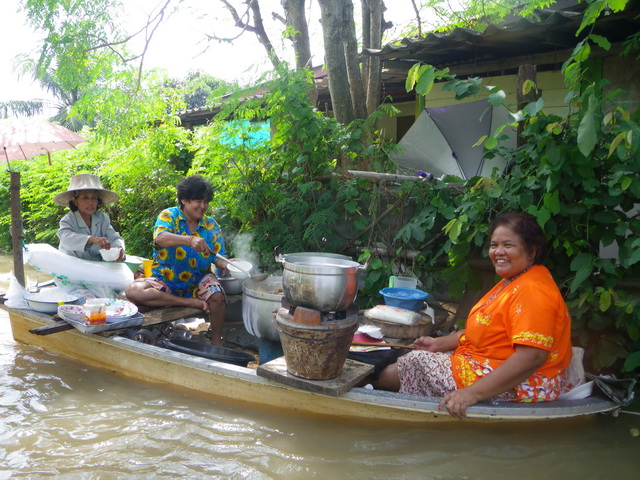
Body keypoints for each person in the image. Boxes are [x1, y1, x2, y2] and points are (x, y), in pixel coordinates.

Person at [374, 211, 573, 418]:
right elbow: (486, 332)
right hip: (487, 361)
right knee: (418, 355)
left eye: (508, 245)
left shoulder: (533, 290)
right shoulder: (513, 281)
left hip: (527, 385)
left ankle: (369, 384)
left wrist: (471, 394)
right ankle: (374, 382)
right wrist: (439, 344)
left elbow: (531, 357)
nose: (499, 252)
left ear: (531, 252)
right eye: (494, 245)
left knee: (418, 361)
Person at [125, 175, 229, 346]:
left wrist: (228, 264)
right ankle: (188, 303)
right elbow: (160, 238)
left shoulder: (211, 225)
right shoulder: (169, 216)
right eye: (198, 201)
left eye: (206, 202)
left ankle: (217, 342)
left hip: (198, 281)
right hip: (167, 282)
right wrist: (189, 240)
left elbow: (219, 257)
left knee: (217, 296)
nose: (202, 206)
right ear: (184, 199)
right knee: (134, 291)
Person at [55, 173, 125, 262]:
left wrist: (119, 248)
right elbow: (65, 238)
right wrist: (91, 239)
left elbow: (114, 237)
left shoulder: (102, 218)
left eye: (94, 198)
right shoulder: (68, 220)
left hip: (96, 265)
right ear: (75, 201)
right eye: (85, 198)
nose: (90, 202)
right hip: (72, 265)